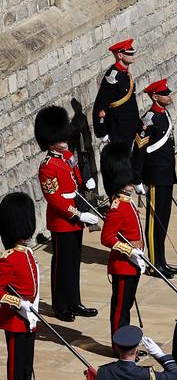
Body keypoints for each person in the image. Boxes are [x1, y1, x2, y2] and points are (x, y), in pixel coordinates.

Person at [35, 105, 100, 322]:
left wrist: (86, 181)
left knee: (74, 263)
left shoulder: (67, 156)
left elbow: (75, 175)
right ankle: (61, 306)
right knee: (62, 265)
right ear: (51, 140)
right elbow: (53, 199)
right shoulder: (47, 166)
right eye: (60, 138)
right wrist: (77, 215)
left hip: (74, 216)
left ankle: (75, 301)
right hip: (62, 220)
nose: (64, 141)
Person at [0, 193, 42, 380]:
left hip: (29, 319)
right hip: (16, 320)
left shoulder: (27, 253)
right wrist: (18, 303)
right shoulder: (8, 259)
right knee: (17, 368)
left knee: (27, 367)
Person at [100, 142, 147, 337]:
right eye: (128, 182)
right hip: (123, 264)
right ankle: (119, 346)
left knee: (127, 305)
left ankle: (127, 343)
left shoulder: (126, 202)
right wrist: (129, 251)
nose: (131, 184)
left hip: (134, 262)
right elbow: (106, 238)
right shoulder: (117, 207)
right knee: (120, 309)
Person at [132, 79, 177, 276]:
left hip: (166, 174)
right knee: (154, 221)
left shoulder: (164, 113)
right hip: (154, 176)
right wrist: (137, 179)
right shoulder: (148, 119)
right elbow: (139, 151)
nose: (169, 96)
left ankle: (162, 260)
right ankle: (153, 263)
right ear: (155, 97)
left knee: (164, 220)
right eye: (165, 94)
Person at [93, 39, 141, 149]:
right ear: (120, 55)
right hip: (118, 128)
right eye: (129, 54)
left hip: (129, 126)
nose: (133, 56)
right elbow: (101, 104)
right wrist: (102, 133)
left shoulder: (125, 74)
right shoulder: (112, 77)